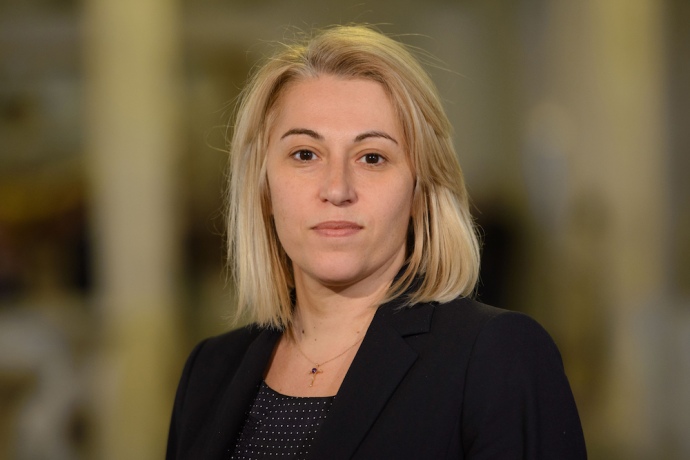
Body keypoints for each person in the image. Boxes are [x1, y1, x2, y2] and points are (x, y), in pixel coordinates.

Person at [166, 25, 587, 459]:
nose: (337, 189)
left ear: (420, 191)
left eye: (372, 157)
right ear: (264, 189)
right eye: (305, 154)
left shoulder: (496, 358)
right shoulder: (208, 372)